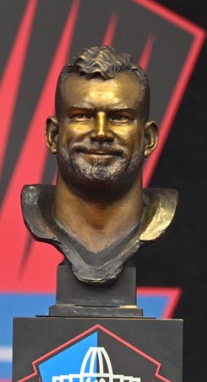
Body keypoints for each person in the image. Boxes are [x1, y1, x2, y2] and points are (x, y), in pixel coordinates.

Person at [22, 45, 175, 285]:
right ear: (53, 135)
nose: (101, 133)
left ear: (148, 139)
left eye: (119, 117)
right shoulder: (37, 213)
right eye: (82, 116)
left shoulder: (160, 216)